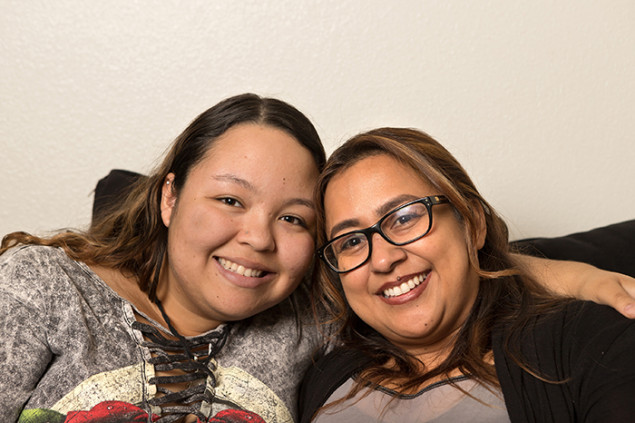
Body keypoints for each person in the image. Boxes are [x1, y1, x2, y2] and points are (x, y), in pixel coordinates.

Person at [0, 97, 633, 423]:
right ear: (168, 196)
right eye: (229, 199)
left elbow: (426, 274)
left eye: (294, 219)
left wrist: (584, 277)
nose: (257, 238)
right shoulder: (43, 289)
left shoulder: (307, 324)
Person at [300, 127, 635, 422]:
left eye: (404, 218)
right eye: (353, 241)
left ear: (474, 224)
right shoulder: (319, 374)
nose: (383, 260)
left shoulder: (588, 343)